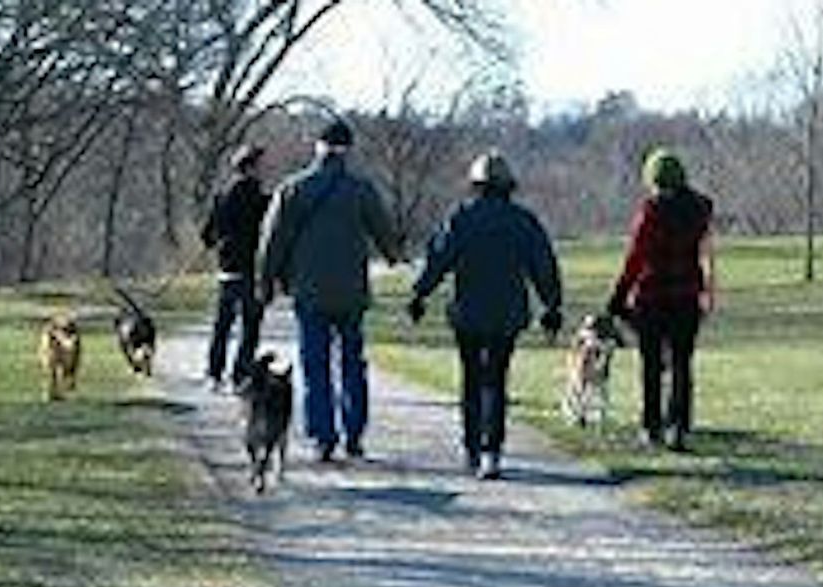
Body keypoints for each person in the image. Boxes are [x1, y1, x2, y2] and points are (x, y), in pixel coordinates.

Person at [408, 151, 563, 480]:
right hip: (508, 313)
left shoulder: (461, 218)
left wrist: (420, 293)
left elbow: (438, 259)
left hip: (468, 312)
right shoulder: (523, 221)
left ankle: (472, 449)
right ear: (508, 186)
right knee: (496, 379)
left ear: (475, 184)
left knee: (472, 380)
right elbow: (543, 266)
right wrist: (552, 305)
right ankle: (492, 451)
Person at [259, 120, 401, 462]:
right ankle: (354, 433)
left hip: (309, 290)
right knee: (352, 362)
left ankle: (323, 435)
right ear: (348, 150)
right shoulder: (361, 189)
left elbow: (272, 240)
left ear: (317, 146)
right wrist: (393, 255)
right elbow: (385, 234)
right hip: (352, 292)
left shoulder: (293, 189)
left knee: (315, 362)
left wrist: (265, 281)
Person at [607, 148, 716, 452]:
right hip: (686, 296)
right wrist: (707, 292)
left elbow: (635, 257)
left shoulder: (651, 211)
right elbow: (705, 254)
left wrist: (617, 297)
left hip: (652, 296)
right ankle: (678, 426)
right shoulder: (701, 210)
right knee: (682, 364)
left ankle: (651, 426)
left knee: (651, 365)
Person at [201, 144, 271, 390]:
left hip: (227, 269)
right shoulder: (263, 200)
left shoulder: (222, 196)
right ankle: (240, 375)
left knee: (223, 324)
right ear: (251, 167)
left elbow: (207, 237)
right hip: (252, 270)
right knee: (250, 326)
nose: (264, 170)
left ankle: (214, 373)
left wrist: (220, 240)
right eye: (261, 165)